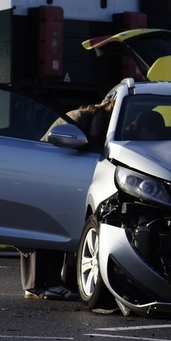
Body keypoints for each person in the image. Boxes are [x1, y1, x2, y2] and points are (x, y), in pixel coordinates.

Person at [23, 100, 114, 301]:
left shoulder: (87, 117)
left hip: (52, 175)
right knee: (50, 226)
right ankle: (47, 285)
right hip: (49, 176)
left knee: (44, 227)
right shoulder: (80, 120)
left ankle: (35, 285)